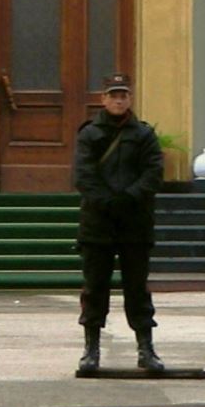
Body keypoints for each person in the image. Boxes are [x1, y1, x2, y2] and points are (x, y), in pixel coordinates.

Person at [73, 73, 164, 375]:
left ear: (130, 99)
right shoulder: (89, 134)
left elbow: (153, 173)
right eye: (113, 95)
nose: (118, 100)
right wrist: (106, 201)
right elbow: (83, 175)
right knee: (95, 288)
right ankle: (91, 350)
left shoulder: (144, 135)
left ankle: (146, 349)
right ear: (103, 99)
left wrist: (128, 198)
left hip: (134, 224)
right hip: (97, 224)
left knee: (137, 289)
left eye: (123, 95)